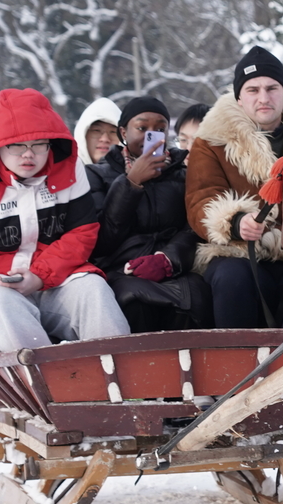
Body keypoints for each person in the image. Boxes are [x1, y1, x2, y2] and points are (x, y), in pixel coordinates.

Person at [0, 88, 129, 372]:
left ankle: (120, 380)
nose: (29, 154)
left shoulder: (70, 169)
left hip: (56, 277)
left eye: (39, 144)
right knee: (4, 306)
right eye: (17, 145)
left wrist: (40, 276)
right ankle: (51, 386)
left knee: (94, 289)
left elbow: (82, 233)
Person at [186, 47, 283, 328]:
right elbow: (201, 198)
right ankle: (236, 356)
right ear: (239, 97)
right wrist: (235, 222)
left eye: (272, 88)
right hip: (237, 252)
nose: (263, 98)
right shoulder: (211, 141)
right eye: (253, 90)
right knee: (232, 278)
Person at [88, 96, 211, 332]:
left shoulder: (183, 172)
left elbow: (194, 226)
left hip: (174, 267)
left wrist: (167, 260)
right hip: (121, 269)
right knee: (133, 300)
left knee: (195, 296)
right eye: (142, 128)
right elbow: (101, 240)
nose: (150, 135)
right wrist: (131, 183)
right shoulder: (96, 173)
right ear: (123, 132)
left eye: (160, 129)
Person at [73, 97, 121, 166]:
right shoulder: (67, 172)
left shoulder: (135, 171)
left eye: (113, 132)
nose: (104, 139)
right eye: (96, 131)